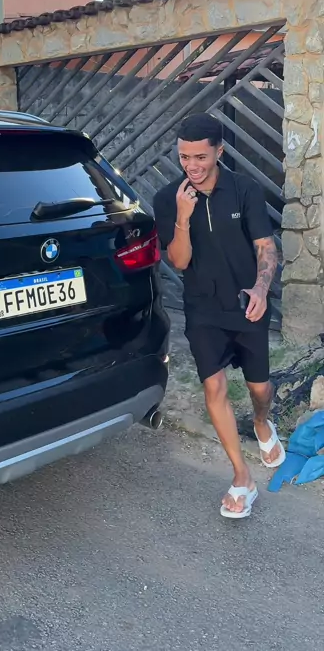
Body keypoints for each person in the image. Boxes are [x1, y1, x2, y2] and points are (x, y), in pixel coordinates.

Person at [153, 112, 285, 519]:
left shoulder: (244, 190)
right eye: (184, 157)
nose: (192, 166)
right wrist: (182, 217)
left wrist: (261, 289)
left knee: (260, 389)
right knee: (214, 387)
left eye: (200, 157)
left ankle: (261, 423)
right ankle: (242, 478)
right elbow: (178, 261)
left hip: (247, 303)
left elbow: (266, 247)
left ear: (219, 152)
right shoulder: (168, 198)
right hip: (203, 308)